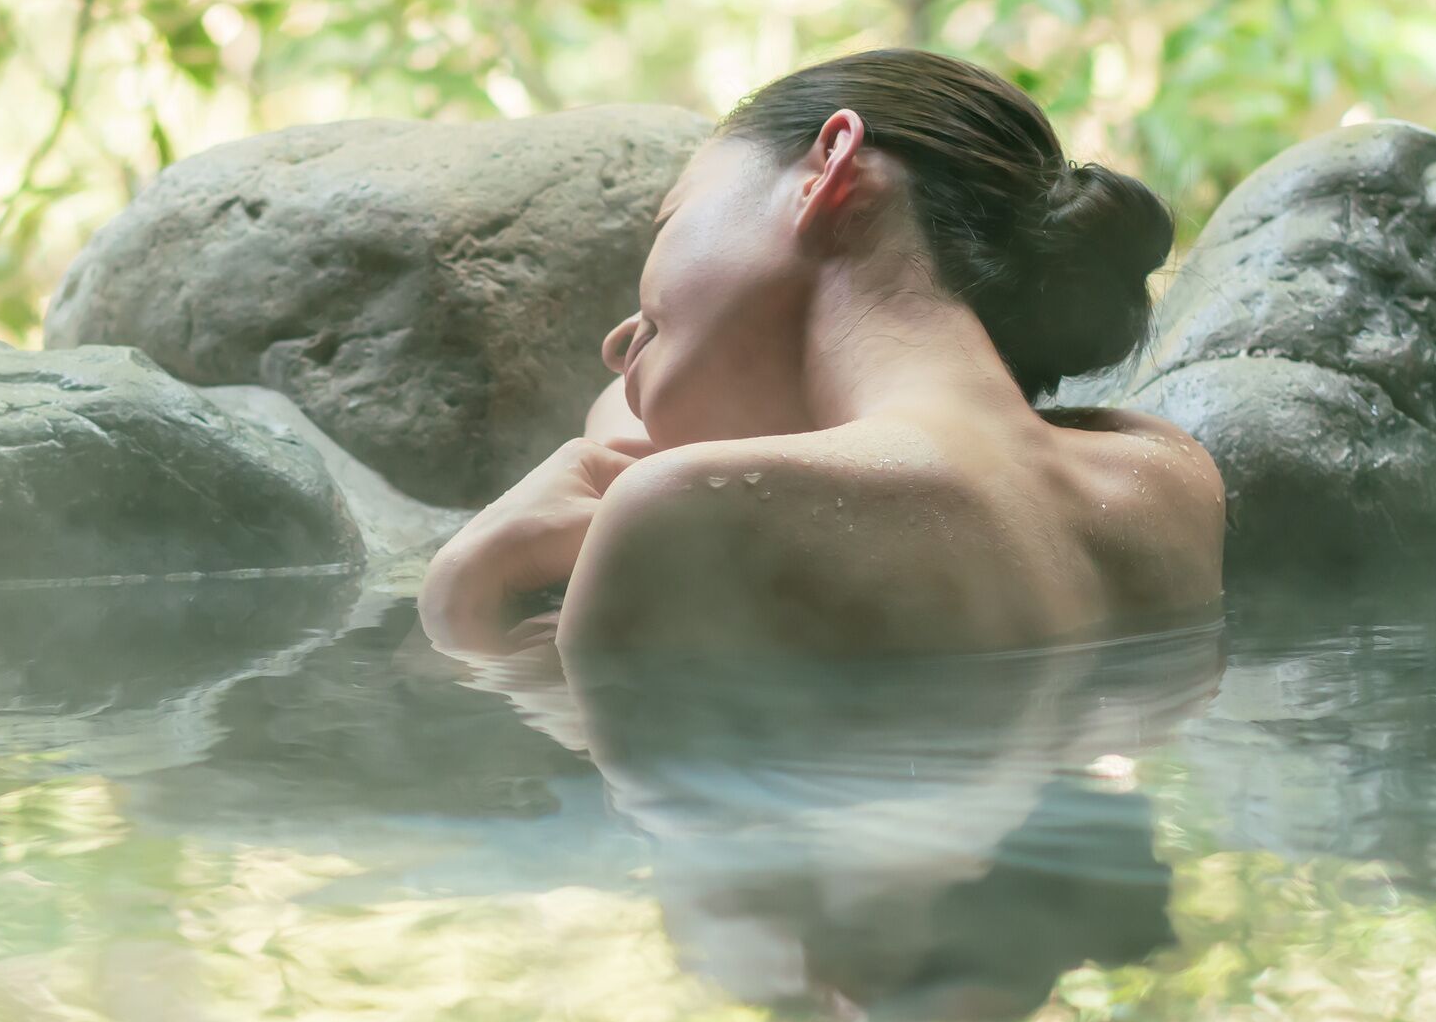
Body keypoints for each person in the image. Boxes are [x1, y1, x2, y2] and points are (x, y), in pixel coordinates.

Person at [418, 49, 1223, 660]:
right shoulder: (1165, 472)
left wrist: (461, 601)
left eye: (668, 224)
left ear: (828, 173)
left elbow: (624, 814)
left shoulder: (681, 514)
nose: (619, 338)